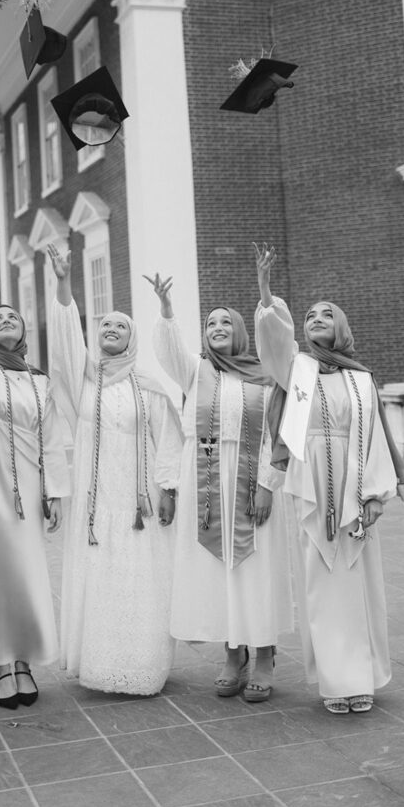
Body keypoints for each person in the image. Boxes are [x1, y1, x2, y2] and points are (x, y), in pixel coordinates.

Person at [253, 243, 404, 714]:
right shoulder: (296, 369)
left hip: (356, 485)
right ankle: (336, 683)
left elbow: (375, 436)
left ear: (341, 327)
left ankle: (361, 678)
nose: (317, 318)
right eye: (311, 315)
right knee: (321, 581)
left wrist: (377, 496)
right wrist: (265, 293)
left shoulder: (361, 379)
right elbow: (274, 341)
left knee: (358, 581)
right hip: (311, 480)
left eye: (327, 314)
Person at [146, 273, 292, 702]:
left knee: (254, 567)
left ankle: (263, 652)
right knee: (219, 569)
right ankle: (233, 651)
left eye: (226, 322)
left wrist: (268, 484)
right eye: (210, 324)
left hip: (251, 479)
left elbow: (274, 433)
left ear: (241, 331)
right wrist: (167, 308)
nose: (218, 329)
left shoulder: (264, 373)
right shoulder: (196, 370)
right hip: (206, 480)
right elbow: (169, 351)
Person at [46, 243, 183, 695]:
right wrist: (64, 283)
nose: (111, 329)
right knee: (103, 575)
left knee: (141, 578)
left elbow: (167, 438)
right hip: (96, 501)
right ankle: (101, 664)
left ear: (132, 339)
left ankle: (144, 664)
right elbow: (66, 339)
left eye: (120, 326)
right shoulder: (82, 382)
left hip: (139, 502)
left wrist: (168, 489)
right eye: (105, 324)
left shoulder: (148, 387)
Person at [0, 239, 69, 708]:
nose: (4, 320)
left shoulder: (40, 380)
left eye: (13, 318)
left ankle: (23, 658)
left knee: (26, 573)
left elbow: (54, 439)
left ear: (24, 332)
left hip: (30, 488)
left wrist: (55, 493)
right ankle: (2, 664)